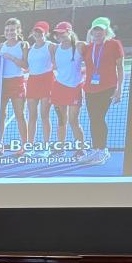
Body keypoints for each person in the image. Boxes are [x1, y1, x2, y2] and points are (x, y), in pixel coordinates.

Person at [82, 17, 124, 166]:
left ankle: (103, 150)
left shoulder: (114, 44)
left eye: (100, 30)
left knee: (99, 118)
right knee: (93, 119)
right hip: (89, 89)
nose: (98, 32)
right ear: (91, 31)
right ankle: (95, 149)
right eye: (95, 30)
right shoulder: (88, 46)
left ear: (106, 31)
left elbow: (120, 67)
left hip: (107, 88)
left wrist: (119, 90)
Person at [50, 21, 86, 160]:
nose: (59, 35)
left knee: (73, 121)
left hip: (75, 88)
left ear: (69, 32)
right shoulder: (54, 48)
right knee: (61, 120)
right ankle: (61, 148)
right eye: (57, 33)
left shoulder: (79, 46)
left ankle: (81, 149)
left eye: (62, 32)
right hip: (59, 88)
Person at [0, 18, 29, 156]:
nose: (9, 32)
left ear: (18, 30)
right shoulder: (0, 46)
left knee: (19, 115)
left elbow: (26, 65)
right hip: (2, 84)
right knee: (1, 116)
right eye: (7, 30)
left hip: (17, 82)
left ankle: (24, 146)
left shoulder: (23, 45)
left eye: (12, 30)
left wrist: (12, 58)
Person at [24, 22, 56, 155]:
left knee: (44, 115)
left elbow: (58, 61)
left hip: (47, 81)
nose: (37, 34)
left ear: (46, 33)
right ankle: (30, 147)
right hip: (32, 81)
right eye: (35, 31)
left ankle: (46, 147)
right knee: (32, 116)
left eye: (41, 32)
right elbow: (26, 66)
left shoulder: (51, 46)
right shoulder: (29, 48)